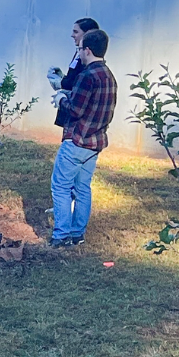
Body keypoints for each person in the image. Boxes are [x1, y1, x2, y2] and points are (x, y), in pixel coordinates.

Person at [49, 29, 115, 248]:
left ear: (87, 50)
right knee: (83, 187)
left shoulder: (87, 76)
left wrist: (60, 98)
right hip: (95, 141)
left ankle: (61, 236)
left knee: (60, 186)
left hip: (77, 140)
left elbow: (75, 110)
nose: (79, 53)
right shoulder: (108, 75)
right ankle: (78, 235)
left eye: (80, 49)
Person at [47, 18, 100, 129]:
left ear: (88, 34)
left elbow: (81, 83)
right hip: (72, 108)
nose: (72, 35)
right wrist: (63, 78)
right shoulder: (79, 53)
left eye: (76, 32)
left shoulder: (88, 58)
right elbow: (75, 78)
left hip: (77, 110)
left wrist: (62, 86)